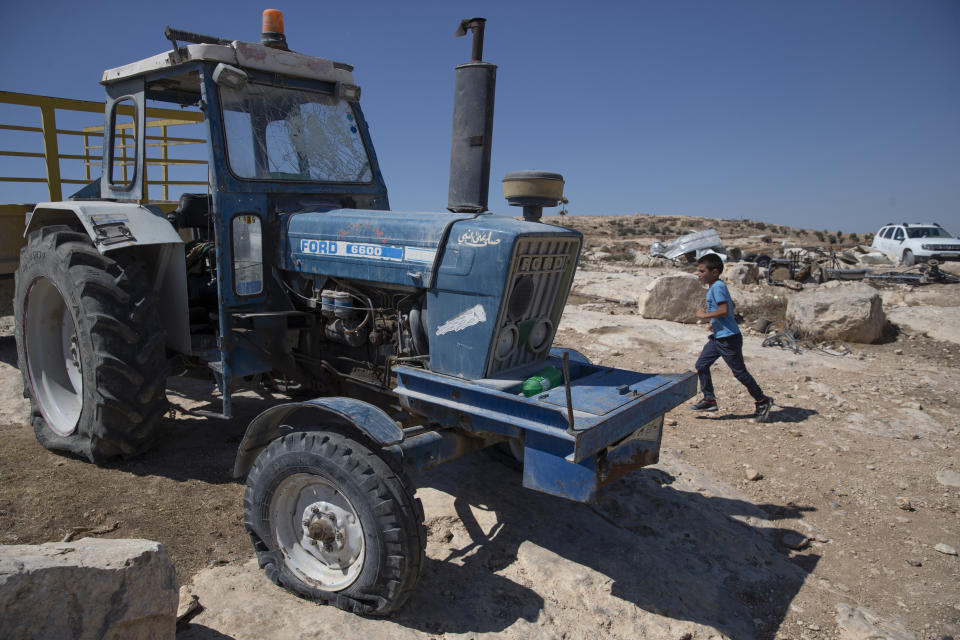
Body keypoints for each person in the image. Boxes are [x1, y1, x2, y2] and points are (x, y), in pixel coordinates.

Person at [690, 253, 773, 422]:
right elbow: (730, 306)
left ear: (714, 272)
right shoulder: (715, 287)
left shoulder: (718, 287)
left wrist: (705, 315)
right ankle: (709, 399)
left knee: (740, 373)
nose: (698, 274)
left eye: (701, 271)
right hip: (719, 336)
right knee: (701, 365)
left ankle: (762, 401)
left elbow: (724, 310)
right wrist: (715, 322)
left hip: (728, 339)